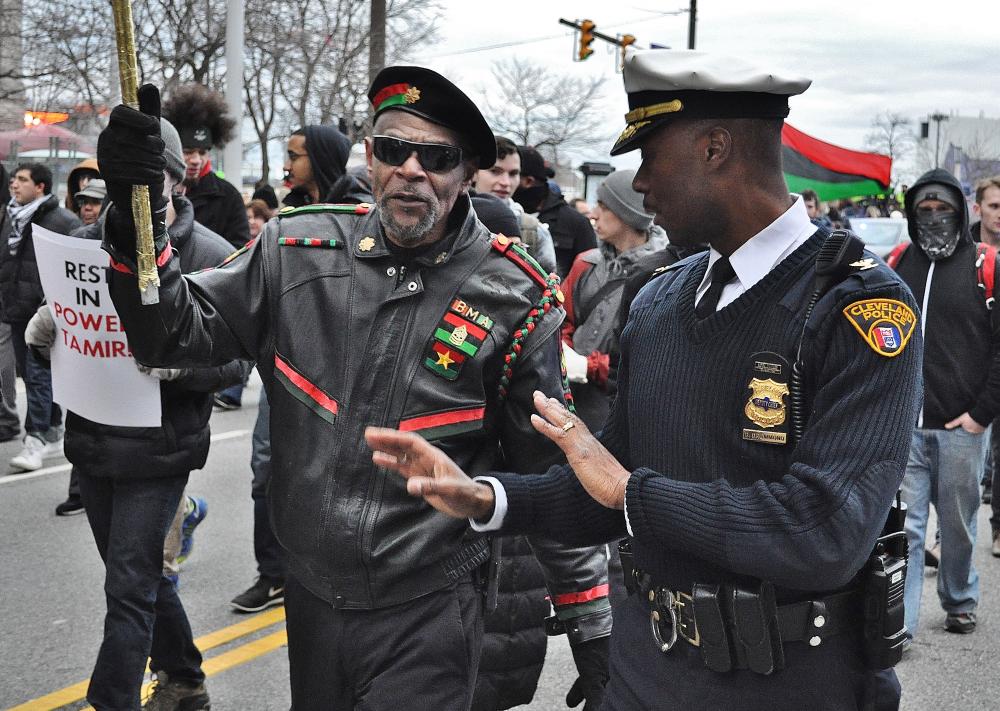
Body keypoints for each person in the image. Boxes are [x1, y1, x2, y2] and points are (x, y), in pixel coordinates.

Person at [366, 48, 923, 711]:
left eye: (650, 155)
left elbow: (824, 530)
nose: (641, 183)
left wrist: (633, 492)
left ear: (714, 149)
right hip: (641, 673)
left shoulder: (857, 307)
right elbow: (606, 480)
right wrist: (486, 497)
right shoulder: (660, 301)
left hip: (789, 686)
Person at [98, 69, 611, 710]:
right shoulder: (295, 249)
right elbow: (167, 339)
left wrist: (593, 624)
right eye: (393, 149)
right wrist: (134, 218)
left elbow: (550, 482)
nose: (411, 171)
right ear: (370, 156)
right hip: (313, 601)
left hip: (429, 609)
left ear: (469, 171)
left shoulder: (516, 297)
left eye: (439, 157)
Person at [28, 115, 249, 710]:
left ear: (175, 182)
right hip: (93, 442)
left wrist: (182, 363)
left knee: (128, 584)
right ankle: (184, 679)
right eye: (117, 181)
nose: (124, 195)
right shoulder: (84, 242)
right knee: (141, 578)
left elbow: (236, 362)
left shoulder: (212, 255)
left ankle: (113, 701)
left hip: (161, 448)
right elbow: (63, 331)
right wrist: (50, 326)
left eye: (142, 181)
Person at [890, 170, 1000, 637]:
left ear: (961, 212)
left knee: (956, 526)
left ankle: (959, 598)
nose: (934, 219)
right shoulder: (898, 263)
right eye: (925, 211)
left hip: (962, 428)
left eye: (944, 211)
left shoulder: (985, 266)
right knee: (908, 528)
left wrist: (980, 415)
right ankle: (904, 625)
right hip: (907, 427)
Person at [560, 169, 664, 432]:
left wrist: (590, 367)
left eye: (604, 206)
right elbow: (561, 318)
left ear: (628, 213)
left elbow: (653, 355)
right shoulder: (585, 263)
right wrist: (565, 353)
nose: (593, 214)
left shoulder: (666, 273)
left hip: (626, 411)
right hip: (572, 400)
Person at [0, 163, 80, 472]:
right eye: (13, 179)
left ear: (41, 187)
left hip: (45, 314)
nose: (14, 185)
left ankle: (34, 441)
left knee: (36, 376)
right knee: (34, 373)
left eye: (22, 180)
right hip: (16, 311)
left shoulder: (60, 220)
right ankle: (54, 430)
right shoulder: (12, 217)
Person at [162, 84, 250, 249]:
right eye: (188, 151)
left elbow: (241, 255)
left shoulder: (228, 197)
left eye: (202, 152)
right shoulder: (155, 191)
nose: (196, 160)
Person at [474, 136, 556, 274]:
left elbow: (548, 289)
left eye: (513, 174)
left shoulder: (533, 231)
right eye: (495, 171)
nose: (506, 182)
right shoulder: (443, 219)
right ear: (473, 172)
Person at [513, 145, 597, 278]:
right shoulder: (500, 213)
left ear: (529, 181)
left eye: (513, 175)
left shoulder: (575, 223)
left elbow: (588, 279)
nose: (505, 182)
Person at [281, 123, 371, 207]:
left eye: (293, 157)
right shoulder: (293, 206)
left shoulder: (357, 212)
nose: (286, 167)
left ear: (319, 158)